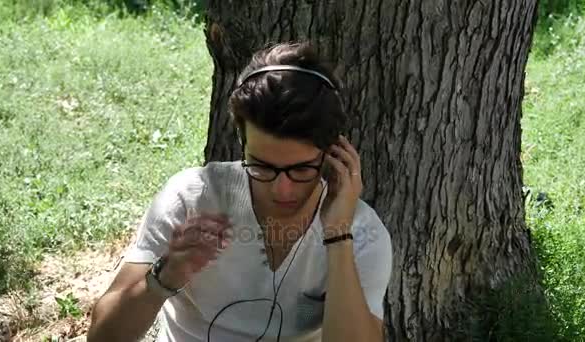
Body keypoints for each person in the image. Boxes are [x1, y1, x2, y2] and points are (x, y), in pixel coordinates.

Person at [87, 42, 393, 342]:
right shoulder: (192, 199)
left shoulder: (361, 230)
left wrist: (338, 237)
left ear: (332, 154)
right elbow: (102, 337)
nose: (281, 190)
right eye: (262, 166)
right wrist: (161, 280)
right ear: (241, 141)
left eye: (301, 170)